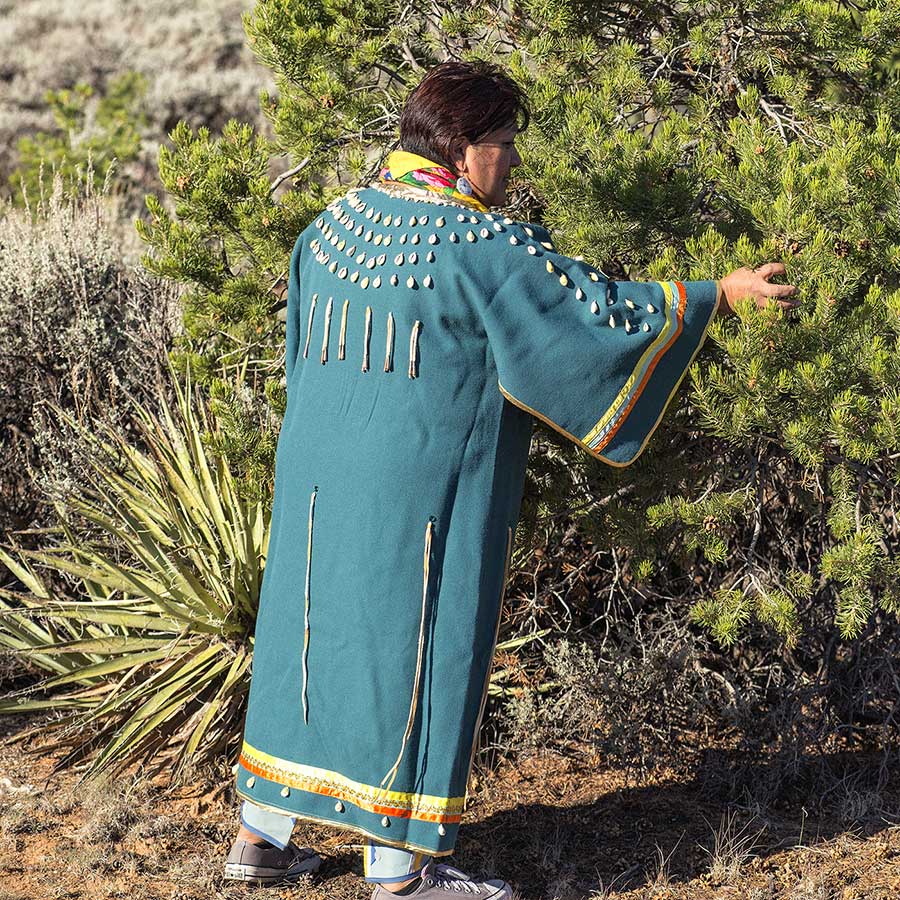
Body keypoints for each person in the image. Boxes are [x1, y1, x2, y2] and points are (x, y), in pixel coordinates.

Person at [222, 60, 798, 898]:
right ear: (461, 148)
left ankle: (259, 841)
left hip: (315, 477)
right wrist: (711, 293)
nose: (514, 164)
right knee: (414, 649)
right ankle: (399, 873)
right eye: (504, 146)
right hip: (423, 490)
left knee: (303, 645)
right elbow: (590, 316)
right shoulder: (482, 246)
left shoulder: (332, 224)